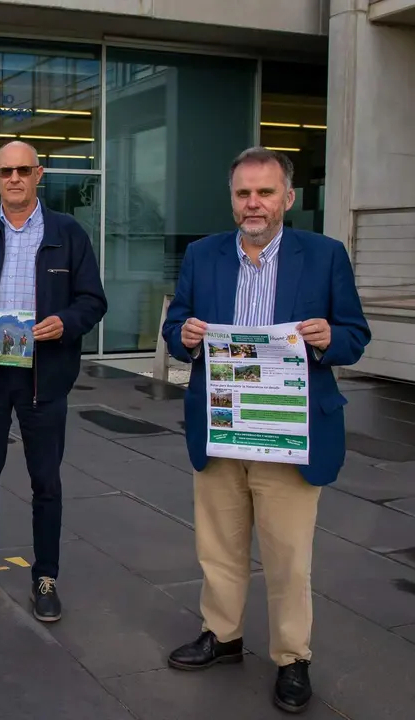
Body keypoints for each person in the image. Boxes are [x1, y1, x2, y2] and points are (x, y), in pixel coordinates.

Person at [162, 147, 371, 714]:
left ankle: (292, 658)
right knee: (219, 547)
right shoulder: (204, 256)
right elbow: (174, 321)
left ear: (288, 198)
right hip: (223, 426)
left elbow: (356, 332)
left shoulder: (324, 256)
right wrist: (184, 334)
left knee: (287, 557)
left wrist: (331, 338)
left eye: (265, 192)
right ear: (232, 199)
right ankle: (223, 636)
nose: (253, 203)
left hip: (289, 433)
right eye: (243, 193)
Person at [0, 140, 107, 621]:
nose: (14, 178)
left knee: (46, 482)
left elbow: (92, 300)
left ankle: (45, 575)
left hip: (44, 376)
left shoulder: (67, 232)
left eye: (23, 170)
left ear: (39, 175)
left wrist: (66, 322)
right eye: (5, 171)